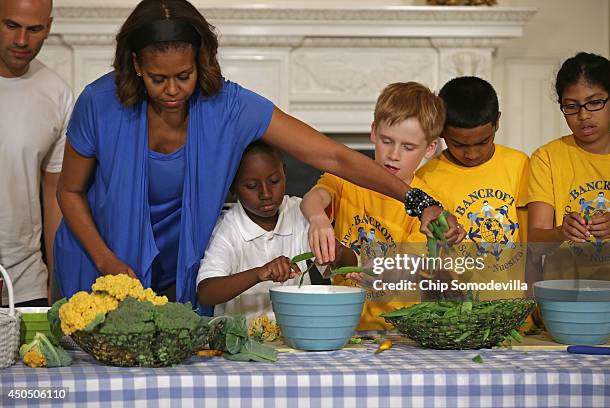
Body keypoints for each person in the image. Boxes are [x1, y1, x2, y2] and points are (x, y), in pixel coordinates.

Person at [53, 0, 456, 314]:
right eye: (158, 79)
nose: (172, 90)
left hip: (185, 262)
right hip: (100, 257)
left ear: (200, 62)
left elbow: (333, 156)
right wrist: (106, 259)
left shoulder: (230, 106)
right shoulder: (100, 102)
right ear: (136, 64)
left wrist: (419, 201)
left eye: (184, 76)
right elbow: (69, 190)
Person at [300, 82, 466, 331]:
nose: (394, 155)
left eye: (408, 147)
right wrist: (318, 218)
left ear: (430, 148)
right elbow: (314, 197)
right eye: (387, 141)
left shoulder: (428, 206)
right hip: (341, 322)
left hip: (398, 329)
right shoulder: (348, 177)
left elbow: (412, 266)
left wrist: (378, 271)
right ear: (374, 132)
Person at [196, 141, 356, 320]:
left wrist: (337, 252)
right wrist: (259, 273)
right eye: (251, 186)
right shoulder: (228, 229)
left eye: (274, 181)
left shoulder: (299, 212)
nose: (266, 193)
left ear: (285, 173)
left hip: (295, 337)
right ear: (232, 186)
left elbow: (350, 265)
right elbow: (206, 293)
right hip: (243, 341)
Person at [415, 76, 530, 300]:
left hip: (516, 307)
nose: (472, 154)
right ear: (440, 130)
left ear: (497, 122)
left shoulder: (520, 165)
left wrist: (533, 300)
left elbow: (533, 247)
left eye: (482, 142)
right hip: (458, 312)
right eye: (459, 144)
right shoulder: (425, 179)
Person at [0, 0, 73, 307]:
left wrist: (55, 285)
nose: (21, 41)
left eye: (34, 29)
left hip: (27, 284)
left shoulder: (57, 93)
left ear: (49, 28)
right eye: (11, 25)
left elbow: (55, 193)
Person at [527, 52, 610, 280]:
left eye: (594, 103)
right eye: (572, 106)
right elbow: (535, 244)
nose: (583, 115)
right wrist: (561, 232)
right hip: (566, 297)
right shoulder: (547, 158)